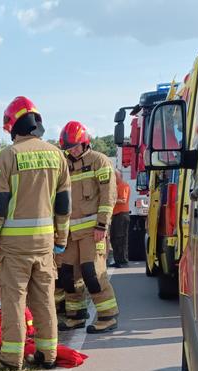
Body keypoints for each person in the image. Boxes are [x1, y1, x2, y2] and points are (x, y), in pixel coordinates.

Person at [0, 96, 71, 370]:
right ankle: (48, 355)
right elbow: (64, 203)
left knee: (14, 301)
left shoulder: (7, 156)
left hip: (14, 246)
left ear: (11, 126)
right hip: (45, 244)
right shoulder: (56, 154)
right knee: (44, 300)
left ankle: (11, 358)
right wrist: (61, 239)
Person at [58, 121, 119, 334]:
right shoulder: (63, 165)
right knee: (67, 275)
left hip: (93, 230)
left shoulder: (99, 162)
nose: (72, 151)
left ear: (85, 143)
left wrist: (102, 225)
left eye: (76, 146)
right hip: (69, 232)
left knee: (92, 273)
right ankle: (76, 315)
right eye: (69, 148)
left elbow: (108, 196)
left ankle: (108, 316)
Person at [110, 170, 130, 268]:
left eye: (115, 176)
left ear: (119, 176)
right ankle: (117, 259)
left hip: (122, 215)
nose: (113, 177)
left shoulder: (123, 185)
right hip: (116, 215)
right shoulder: (116, 186)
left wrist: (111, 200)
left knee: (121, 238)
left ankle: (123, 260)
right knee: (114, 238)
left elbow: (123, 200)